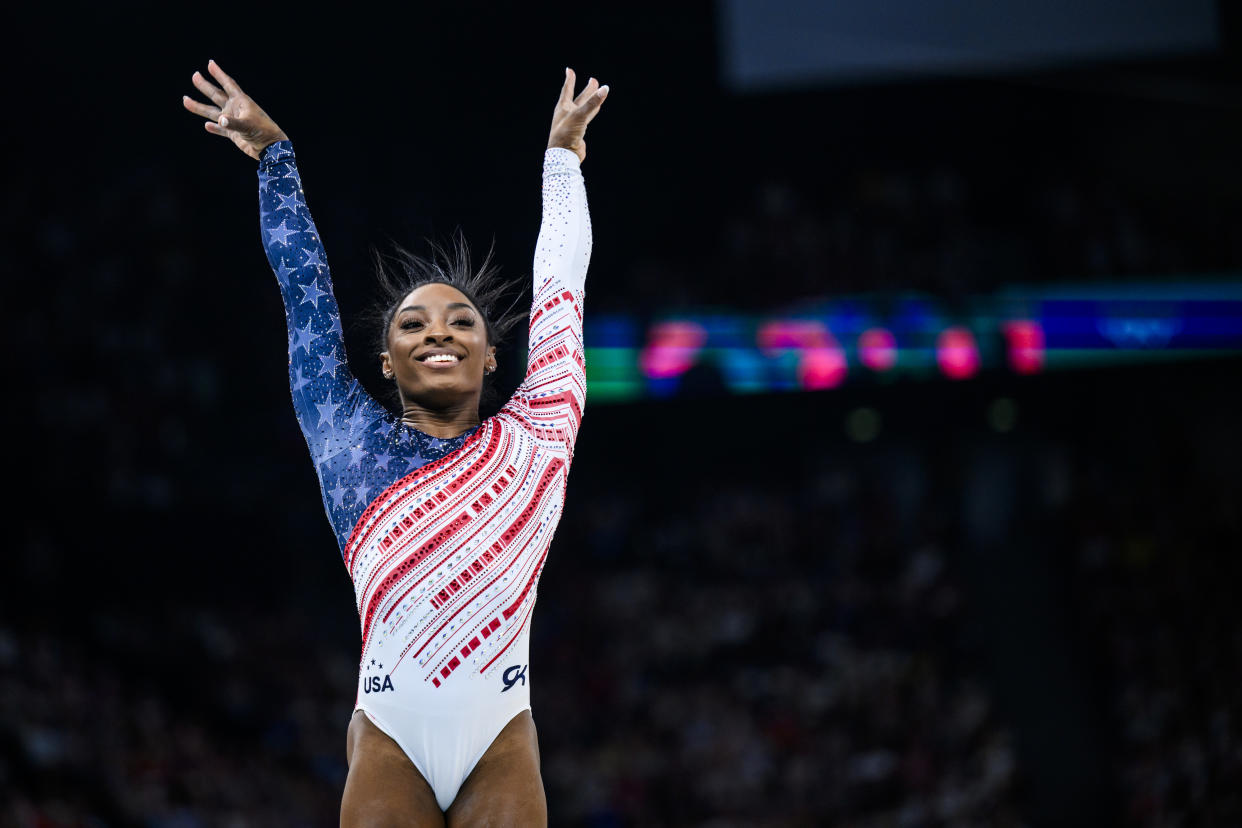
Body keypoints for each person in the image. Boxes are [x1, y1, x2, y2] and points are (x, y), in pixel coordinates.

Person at [182, 59, 607, 825]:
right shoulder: (345, 438)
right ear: (385, 360)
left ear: (491, 357)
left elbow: (561, 285)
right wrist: (275, 157)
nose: (437, 329)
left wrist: (562, 160)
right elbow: (302, 292)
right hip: (389, 740)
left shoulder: (540, 430)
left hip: (501, 742)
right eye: (412, 323)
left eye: (460, 323)